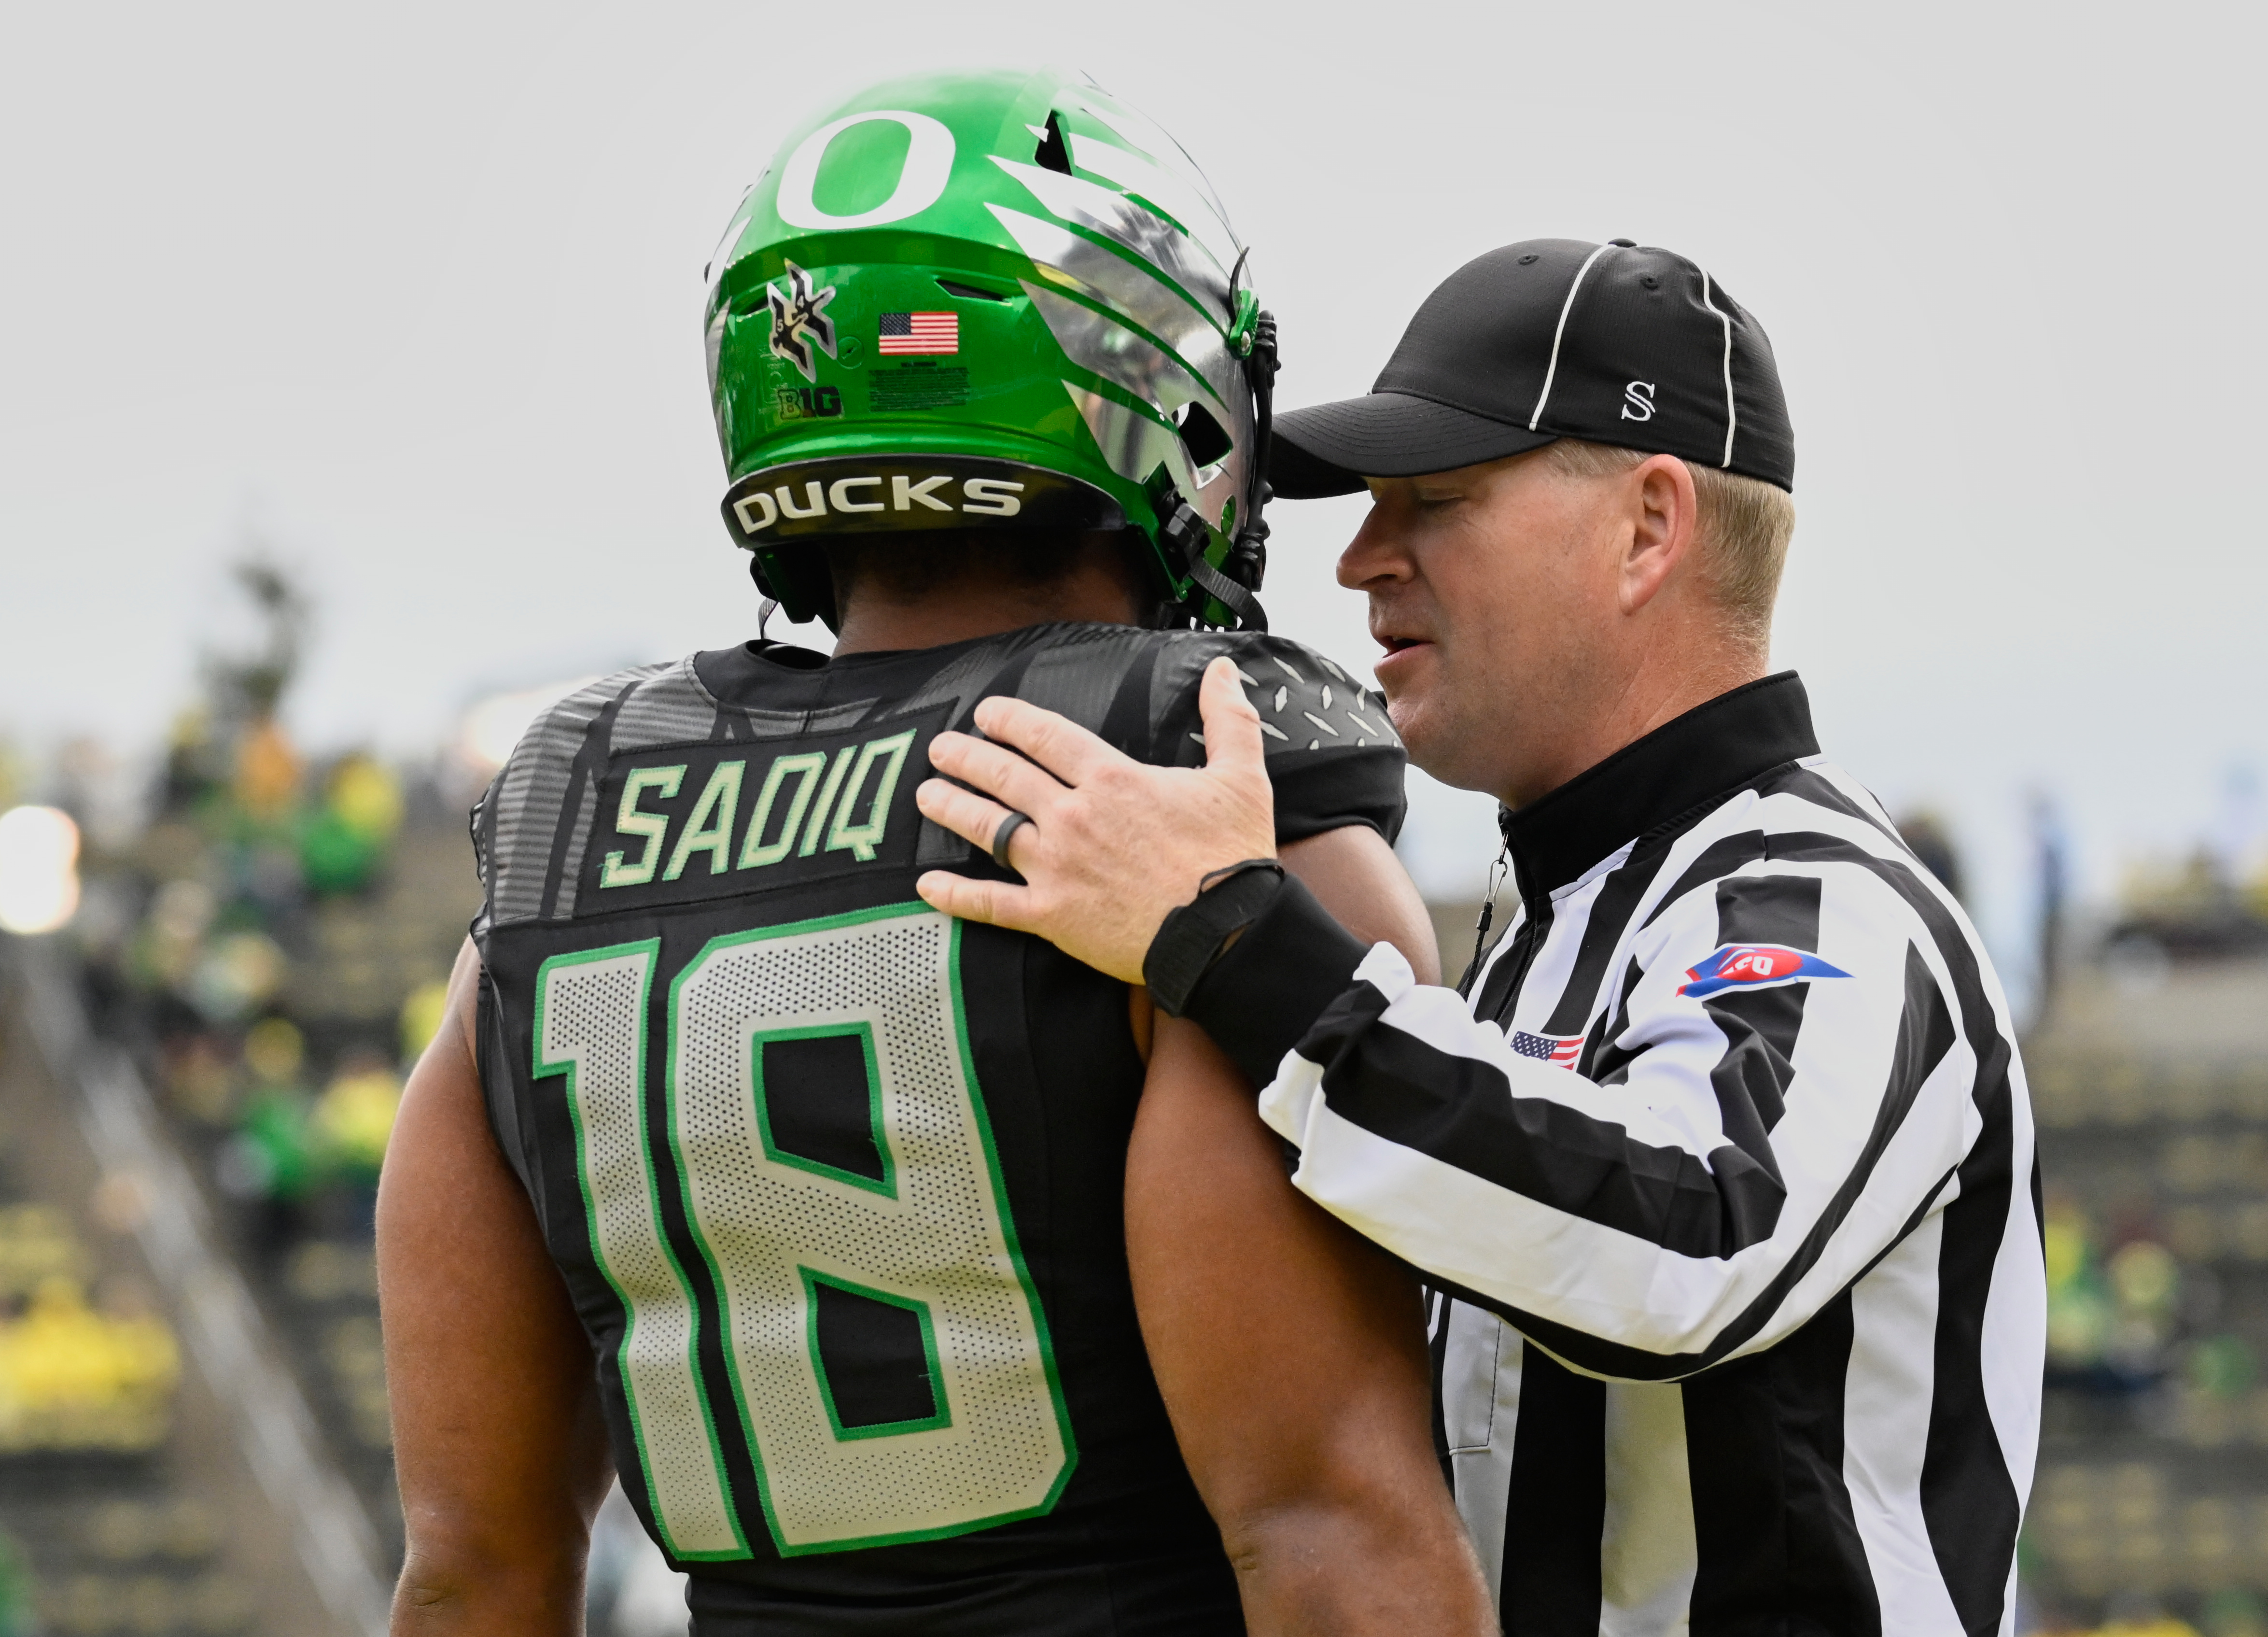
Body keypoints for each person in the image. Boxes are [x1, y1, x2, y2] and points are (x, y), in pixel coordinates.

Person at [376, 68, 1491, 1636]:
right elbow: (1332, 1533)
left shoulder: (554, 852)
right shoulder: (1191, 788)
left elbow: (476, 1573)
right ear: (1142, 375)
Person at [915, 239, 2048, 1634]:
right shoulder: (1547, 921)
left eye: (1434, 500)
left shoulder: (1824, 896)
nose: (1358, 559)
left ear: (1648, 527)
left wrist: (1231, 939)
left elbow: (1687, 1247)